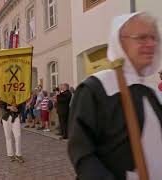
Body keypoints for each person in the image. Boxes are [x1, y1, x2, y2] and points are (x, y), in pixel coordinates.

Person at [68, 13, 162, 180]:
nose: (151, 43)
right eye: (141, 38)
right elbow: (82, 152)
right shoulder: (96, 88)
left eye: (153, 37)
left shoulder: (152, 93)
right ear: (120, 42)